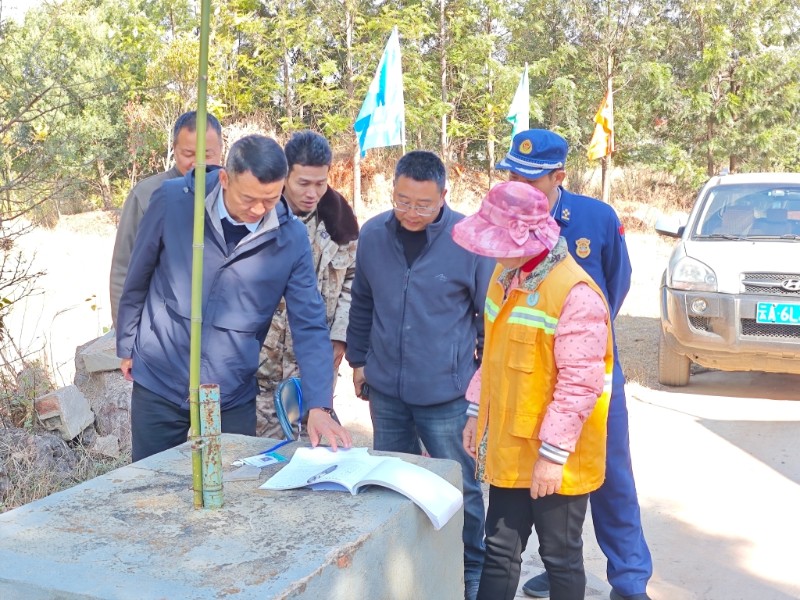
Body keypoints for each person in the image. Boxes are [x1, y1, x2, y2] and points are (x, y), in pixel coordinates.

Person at [116, 134, 352, 461]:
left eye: (270, 200)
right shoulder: (175, 201)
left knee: (232, 486)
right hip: (161, 376)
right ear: (225, 179)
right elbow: (138, 274)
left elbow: (310, 325)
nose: (258, 210)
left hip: (231, 389)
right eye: (248, 199)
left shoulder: (290, 237)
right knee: (152, 485)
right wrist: (127, 344)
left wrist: (319, 405)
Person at [497, 129, 652, 600]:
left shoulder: (595, 217)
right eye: (511, 174)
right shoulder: (506, 216)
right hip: (527, 374)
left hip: (587, 373)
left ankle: (628, 580)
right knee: (541, 480)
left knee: (608, 476)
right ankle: (560, 565)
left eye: (531, 179)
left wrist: (579, 344)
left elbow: (613, 289)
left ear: (558, 176)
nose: (518, 187)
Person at [345, 150, 494, 600]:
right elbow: (363, 302)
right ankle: (404, 568)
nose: (411, 212)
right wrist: (358, 361)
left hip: (447, 391)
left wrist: (479, 388)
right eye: (402, 201)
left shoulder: (470, 240)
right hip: (387, 388)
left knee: (461, 484)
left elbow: (489, 319)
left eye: (423, 204)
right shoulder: (372, 235)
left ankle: (471, 568)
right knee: (393, 482)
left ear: (444, 197)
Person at [454, 180, 613, 600]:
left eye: (496, 241)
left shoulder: (575, 294)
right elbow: (492, 353)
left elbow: (580, 386)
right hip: (511, 444)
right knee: (501, 549)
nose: (489, 251)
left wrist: (552, 458)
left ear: (525, 238)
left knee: (559, 556)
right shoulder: (505, 274)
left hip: (558, 456)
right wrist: (476, 414)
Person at [256, 130, 359, 438]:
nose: (312, 193)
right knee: (257, 459)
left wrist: (340, 335)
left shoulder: (340, 221)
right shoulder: (259, 216)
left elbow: (354, 281)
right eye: (303, 183)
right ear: (285, 175)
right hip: (262, 367)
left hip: (315, 363)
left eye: (320, 183)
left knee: (313, 453)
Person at [110, 111, 224, 328]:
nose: (198, 164)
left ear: (221, 150)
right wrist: (124, 333)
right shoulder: (147, 194)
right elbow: (123, 269)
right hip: (159, 331)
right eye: (188, 154)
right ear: (174, 149)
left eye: (207, 155)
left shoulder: (233, 196)